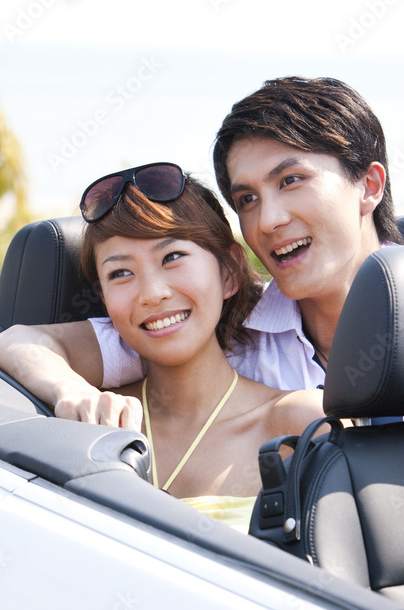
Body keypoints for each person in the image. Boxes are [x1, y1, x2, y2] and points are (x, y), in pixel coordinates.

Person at [0, 76, 400, 422]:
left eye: (291, 180)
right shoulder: (225, 333)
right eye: (247, 200)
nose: (268, 220)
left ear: (369, 186)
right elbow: (21, 343)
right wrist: (70, 390)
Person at [24, 164, 325, 531]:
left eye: (172, 258)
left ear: (228, 271)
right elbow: (12, 343)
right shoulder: (92, 418)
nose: (152, 294)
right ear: (103, 297)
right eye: (120, 273)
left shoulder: (299, 423)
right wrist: (69, 389)